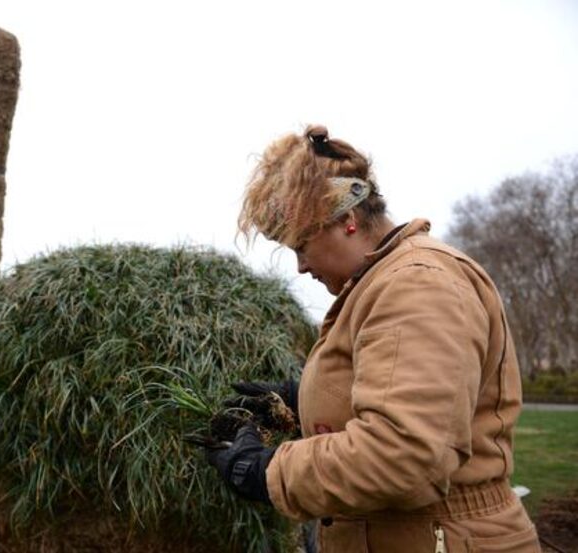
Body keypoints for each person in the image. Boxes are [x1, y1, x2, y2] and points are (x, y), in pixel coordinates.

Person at [207, 125, 541, 552]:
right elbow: (396, 393)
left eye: (301, 246)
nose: (301, 268)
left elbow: (403, 456)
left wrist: (267, 471)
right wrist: (297, 401)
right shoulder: (379, 283)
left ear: (346, 219)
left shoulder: (418, 286)